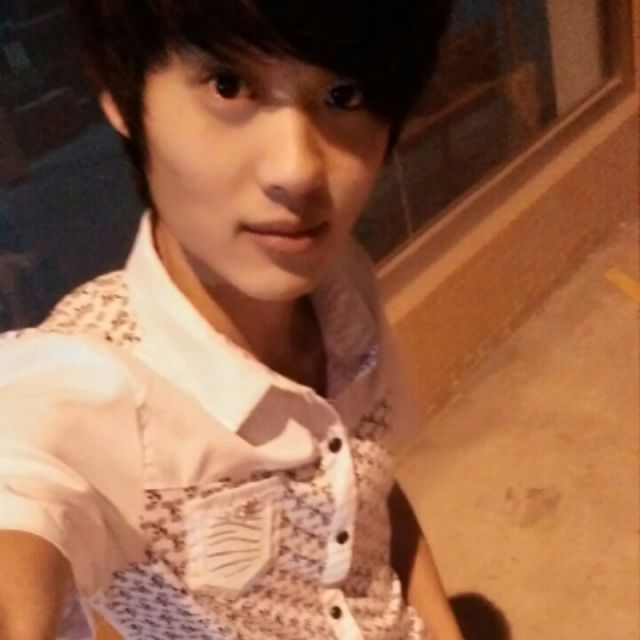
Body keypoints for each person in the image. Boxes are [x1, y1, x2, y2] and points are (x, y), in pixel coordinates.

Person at [0, 1, 463, 639]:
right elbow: (22, 487)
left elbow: (372, 504)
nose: (298, 172)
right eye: (228, 85)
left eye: (343, 94)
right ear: (120, 96)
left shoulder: (342, 285)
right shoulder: (87, 384)